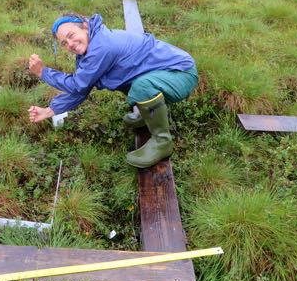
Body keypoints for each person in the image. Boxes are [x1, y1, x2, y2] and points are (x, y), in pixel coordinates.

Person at [28, 13, 198, 168]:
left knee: (141, 86)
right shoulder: (91, 46)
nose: (70, 44)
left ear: (85, 26)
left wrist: (43, 72)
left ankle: (162, 142)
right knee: (129, 79)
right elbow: (83, 87)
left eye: (71, 36)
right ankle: (149, 114)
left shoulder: (101, 47)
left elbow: (77, 84)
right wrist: (50, 110)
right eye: (64, 43)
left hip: (180, 74)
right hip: (164, 74)